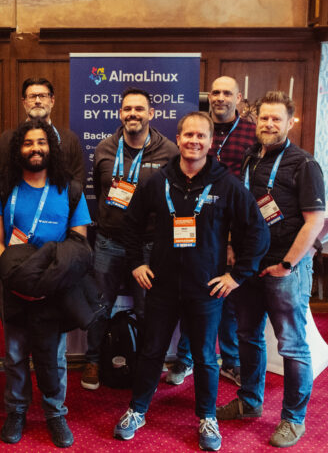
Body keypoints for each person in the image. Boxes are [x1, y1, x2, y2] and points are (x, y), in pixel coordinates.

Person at [112, 112, 268, 451]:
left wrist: (238, 275)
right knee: (152, 351)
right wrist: (136, 263)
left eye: (201, 136)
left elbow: (258, 230)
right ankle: (137, 410)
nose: (194, 141)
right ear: (178, 139)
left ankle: (207, 417)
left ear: (211, 143)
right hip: (162, 286)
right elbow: (131, 225)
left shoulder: (226, 184)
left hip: (206, 289)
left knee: (205, 358)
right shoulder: (159, 180)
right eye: (187, 135)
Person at [217, 91, 325, 448]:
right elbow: (241, 210)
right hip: (250, 268)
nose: (269, 124)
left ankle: (294, 420)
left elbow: (314, 223)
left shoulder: (303, 163)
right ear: (256, 121)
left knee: (292, 346)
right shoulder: (249, 160)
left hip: (285, 269)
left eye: (277, 119)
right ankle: (249, 402)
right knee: (248, 337)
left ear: (289, 122)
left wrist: (288, 263)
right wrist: (233, 246)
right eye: (264, 118)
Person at [0, 119, 93, 448]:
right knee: (15, 354)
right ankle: (17, 410)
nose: (35, 148)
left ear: (52, 148)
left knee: (54, 355)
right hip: (14, 285)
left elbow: (78, 244)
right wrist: (14, 278)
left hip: (54, 286)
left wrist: (46, 281)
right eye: (29, 143)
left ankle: (54, 412)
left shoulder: (69, 188)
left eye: (42, 142)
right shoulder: (3, 187)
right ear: (19, 149)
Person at [81, 87, 178, 391]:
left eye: (139, 109)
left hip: (150, 245)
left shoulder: (169, 151)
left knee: (147, 307)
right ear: (120, 114)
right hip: (109, 240)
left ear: (151, 114)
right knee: (99, 305)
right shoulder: (104, 149)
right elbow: (99, 190)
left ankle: (145, 361)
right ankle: (94, 359)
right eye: (127, 109)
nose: (132, 114)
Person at [167, 76, 259, 388]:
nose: (220, 97)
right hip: (198, 229)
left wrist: (233, 241)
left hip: (232, 225)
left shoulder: (251, 131)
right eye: (215, 92)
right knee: (197, 294)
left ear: (239, 97)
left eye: (226, 93)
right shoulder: (200, 127)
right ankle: (185, 358)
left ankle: (230, 362)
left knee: (226, 300)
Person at [0, 77, 86, 187]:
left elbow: (78, 183)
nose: (38, 101)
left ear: (52, 101)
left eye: (43, 96)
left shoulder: (70, 139)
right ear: (24, 102)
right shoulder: (7, 139)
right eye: (32, 97)